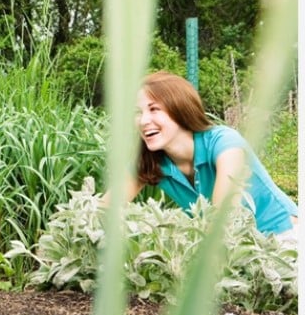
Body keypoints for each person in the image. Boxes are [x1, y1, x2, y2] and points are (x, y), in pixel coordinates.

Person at [125, 70, 298, 242]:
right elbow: (104, 209)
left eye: (154, 109)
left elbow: (223, 216)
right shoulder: (150, 161)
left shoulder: (224, 142)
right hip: (235, 251)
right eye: (137, 112)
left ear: (179, 108)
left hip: (284, 239)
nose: (143, 121)